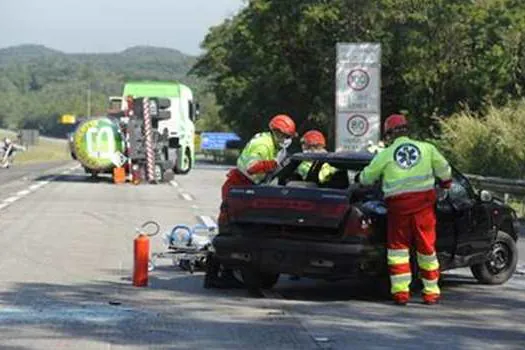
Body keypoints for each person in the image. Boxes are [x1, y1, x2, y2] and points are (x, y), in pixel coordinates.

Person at [356, 114, 452, 306]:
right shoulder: (427, 148)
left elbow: (367, 178)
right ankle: (431, 292)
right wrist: (445, 183)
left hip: (398, 209)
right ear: (407, 130)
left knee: (398, 250)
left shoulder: (385, 154)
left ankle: (401, 293)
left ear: (389, 134)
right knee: (427, 249)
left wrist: (359, 179)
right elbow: (445, 171)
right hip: (424, 208)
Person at [221, 114, 297, 201]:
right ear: (276, 133)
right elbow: (252, 168)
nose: (287, 139)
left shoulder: (274, 145)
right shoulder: (263, 145)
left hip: (249, 186)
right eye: (286, 136)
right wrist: (274, 164)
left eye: (289, 137)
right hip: (239, 185)